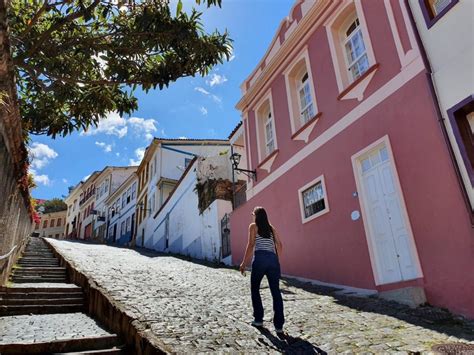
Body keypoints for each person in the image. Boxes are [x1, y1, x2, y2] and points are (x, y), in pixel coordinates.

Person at [239, 206, 284, 334]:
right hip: (272, 260)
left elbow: (251, 244)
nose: (252, 216)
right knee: (276, 292)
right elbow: (280, 244)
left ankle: (258, 319)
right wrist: (277, 261)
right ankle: (279, 326)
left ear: (256, 216)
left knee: (255, 289)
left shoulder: (253, 226)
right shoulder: (271, 228)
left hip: (260, 259)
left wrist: (243, 263)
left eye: (253, 214)